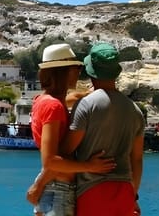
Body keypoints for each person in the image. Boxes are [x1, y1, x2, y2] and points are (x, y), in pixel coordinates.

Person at [27, 43, 116, 216]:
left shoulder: (43, 100)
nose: (79, 71)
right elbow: (50, 161)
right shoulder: (54, 107)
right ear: (65, 72)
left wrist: (89, 94)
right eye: (76, 67)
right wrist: (90, 166)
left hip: (52, 189)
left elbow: (70, 98)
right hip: (59, 192)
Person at [64, 42, 145, 216]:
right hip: (124, 191)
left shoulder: (86, 105)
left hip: (92, 190)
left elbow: (66, 150)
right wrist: (133, 195)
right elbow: (136, 160)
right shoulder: (135, 110)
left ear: (91, 72)